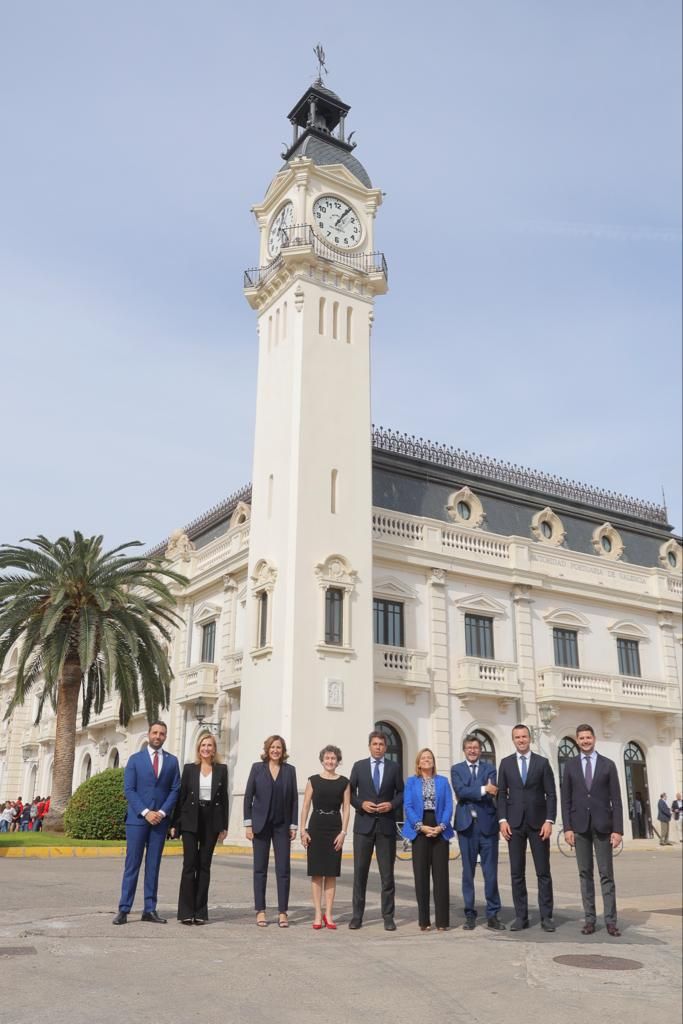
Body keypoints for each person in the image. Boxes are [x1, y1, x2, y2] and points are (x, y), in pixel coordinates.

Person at [112, 721, 181, 925]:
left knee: (153, 866)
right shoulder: (135, 759)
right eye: (155, 732)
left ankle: (149, 909)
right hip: (137, 820)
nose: (158, 736)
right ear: (149, 734)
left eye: (162, 733)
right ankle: (124, 909)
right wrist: (145, 812)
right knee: (132, 865)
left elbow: (175, 789)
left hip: (159, 822)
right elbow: (129, 789)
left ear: (165, 737)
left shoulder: (172, 761)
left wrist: (160, 812)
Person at [561, 723, 623, 937]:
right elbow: (566, 798)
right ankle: (589, 919)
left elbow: (616, 798)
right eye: (581, 738)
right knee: (584, 873)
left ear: (594, 739)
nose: (585, 741)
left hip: (603, 826)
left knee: (606, 874)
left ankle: (611, 921)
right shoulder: (570, 765)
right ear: (577, 740)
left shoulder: (608, 765)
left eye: (588, 737)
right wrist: (567, 827)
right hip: (579, 827)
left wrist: (618, 830)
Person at [498, 724, 557, 932]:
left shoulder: (542, 763)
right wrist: (502, 820)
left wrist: (549, 821)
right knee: (517, 873)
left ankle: (546, 917)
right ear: (513, 740)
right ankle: (521, 916)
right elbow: (501, 794)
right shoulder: (505, 764)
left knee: (543, 872)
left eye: (524, 736)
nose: (521, 740)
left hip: (539, 824)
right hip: (514, 825)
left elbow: (551, 793)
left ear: (529, 739)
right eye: (517, 737)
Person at [348, 730, 404, 931]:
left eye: (381, 744)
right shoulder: (359, 766)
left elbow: (401, 792)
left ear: (385, 747)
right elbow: (349, 793)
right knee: (360, 873)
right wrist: (361, 804)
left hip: (386, 828)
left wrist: (392, 805)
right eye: (375, 744)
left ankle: (388, 917)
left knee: (387, 875)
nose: (378, 747)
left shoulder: (394, 767)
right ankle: (357, 916)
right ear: (369, 746)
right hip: (363, 826)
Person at [171, 731, 229, 924]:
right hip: (190, 820)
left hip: (211, 821)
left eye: (209, 745)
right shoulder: (189, 769)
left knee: (204, 866)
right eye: (203, 745)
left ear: (214, 749)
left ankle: (201, 912)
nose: (206, 748)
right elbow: (182, 797)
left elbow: (225, 799)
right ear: (198, 748)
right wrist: (175, 824)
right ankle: (186, 912)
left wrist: (224, 826)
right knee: (189, 865)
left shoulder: (221, 769)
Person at [243, 734, 298, 928]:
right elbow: (248, 796)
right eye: (272, 747)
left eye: (279, 748)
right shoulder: (257, 769)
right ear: (267, 749)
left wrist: (293, 825)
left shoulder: (290, 771)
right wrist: (248, 825)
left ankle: (283, 912)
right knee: (260, 869)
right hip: (260, 825)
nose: (275, 750)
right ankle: (261, 910)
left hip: (282, 826)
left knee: (283, 870)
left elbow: (293, 800)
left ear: (283, 751)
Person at [451, 733, 505, 931]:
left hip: (488, 827)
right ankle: (470, 914)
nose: (472, 751)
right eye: (469, 748)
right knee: (468, 873)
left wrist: (472, 791)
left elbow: (492, 791)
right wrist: (483, 789)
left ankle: (493, 914)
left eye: (476, 748)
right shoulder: (456, 769)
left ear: (480, 750)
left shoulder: (490, 768)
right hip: (466, 827)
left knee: (490, 873)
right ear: (464, 750)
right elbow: (461, 791)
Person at [402, 748, 453, 932]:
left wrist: (441, 826)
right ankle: (424, 921)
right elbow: (407, 806)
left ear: (433, 762)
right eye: (423, 758)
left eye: (429, 758)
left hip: (439, 828)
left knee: (441, 878)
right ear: (418, 763)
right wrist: (420, 826)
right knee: (421, 877)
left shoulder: (443, 781)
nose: (427, 760)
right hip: (419, 830)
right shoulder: (411, 782)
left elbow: (448, 805)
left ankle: (442, 921)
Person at [300, 744, 350, 929]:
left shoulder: (344, 782)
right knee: (316, 873)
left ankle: (329, 914)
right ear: (322, 760)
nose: (330, 761)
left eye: (333, 758)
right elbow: (305, 806)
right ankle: (317, 914)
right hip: (316, 827)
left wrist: (343, 832)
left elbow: (346, 809)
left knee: (331, 873)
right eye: (327, 758)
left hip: (334, 829)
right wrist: (303, 830)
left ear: (338, 761)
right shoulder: (313, 780)